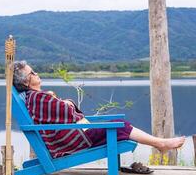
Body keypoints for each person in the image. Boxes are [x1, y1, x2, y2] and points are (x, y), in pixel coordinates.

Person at [13, 60, 185, 162]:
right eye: (32, 73)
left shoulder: (37, 97)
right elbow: (66, 110)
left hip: (71, 135)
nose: (37, 74)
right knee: (120, 126)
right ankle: (160, 144)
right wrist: (64, 101)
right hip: (72, 141)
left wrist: (60, 100)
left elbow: (63, 110)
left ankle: (160, 144)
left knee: (118, 125)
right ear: (27, 82)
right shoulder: (38, 98)